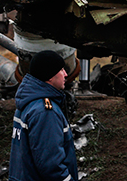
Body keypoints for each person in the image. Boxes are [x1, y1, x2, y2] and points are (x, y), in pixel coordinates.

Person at [9, 50, 78, 181]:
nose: (66, 74)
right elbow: (51, 165)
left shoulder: (27, 103)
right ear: (50, 76)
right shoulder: (45, 112)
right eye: (61, 70)